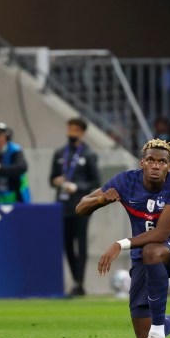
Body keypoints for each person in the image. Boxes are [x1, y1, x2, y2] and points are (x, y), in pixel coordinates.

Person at [76, 138, 170, 338]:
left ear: (169, 167)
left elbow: (161, 234)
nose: (156, 165)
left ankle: (158, 334)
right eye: (150, 160)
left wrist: (119, 244)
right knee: (143, 337)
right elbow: (80, 208)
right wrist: (100, 201)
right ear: (142, 163)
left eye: (162, 162)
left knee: (152, 250)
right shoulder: (125, 181)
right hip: (142, 255)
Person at [49, 117, 100, 296]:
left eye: (75, 130)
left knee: (81, 243)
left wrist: (77, 186)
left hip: (82, 204)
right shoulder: (59, 153)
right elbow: (52, 178)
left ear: (82, 132)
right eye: (70, 129)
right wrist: (57, 181)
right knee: (67, 244)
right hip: (63, 205)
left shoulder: (88, 154)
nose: (71, 133)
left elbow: (95, 181)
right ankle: (74, 281)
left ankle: (80, 282)